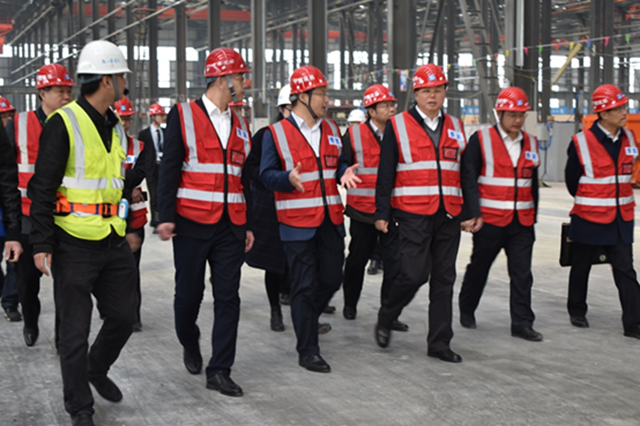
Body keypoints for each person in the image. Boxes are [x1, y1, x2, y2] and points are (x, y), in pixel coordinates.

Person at [28, 40, 138, 426]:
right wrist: (41, 242)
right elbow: (42, 187)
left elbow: (114, 182)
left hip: (112, 237)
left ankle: (96, 368)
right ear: (107, 80)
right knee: (74, 332)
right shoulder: (64, 122)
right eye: (121, 76)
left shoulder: (115, 126)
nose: (125, 82)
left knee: (124, 316)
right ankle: (80, 407)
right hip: (73, 242)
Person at [157, 47, 253, 397]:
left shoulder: (241, 124)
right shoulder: (183, 115)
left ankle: (220, 370)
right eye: (240, 77)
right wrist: (165, 216)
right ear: (224, 79)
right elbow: (169, 169)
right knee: (188, 297)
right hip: (191, 223)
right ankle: (189, 340)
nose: (244, 84)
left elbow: (244, 178)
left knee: (228, 297)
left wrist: (249, 224)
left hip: (231, 226)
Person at [260, 65, 359, 373]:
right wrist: (286, 179)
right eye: (322, 94)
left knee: (332, 278)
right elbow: (265, 175)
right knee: (302, 286)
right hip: (296, 224)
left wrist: (343, 173)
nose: (327, 100)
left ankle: (305, 318)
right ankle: (308, 350)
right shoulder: (276, 134)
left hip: (330, 220)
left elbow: (339, 163)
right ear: (302, 96)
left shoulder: (332, 130)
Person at [373, 64, 466, 363]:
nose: (432, 96)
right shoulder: (398, 125)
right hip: (412, 214)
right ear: (416, 93)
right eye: (426, 91)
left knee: (444, 279)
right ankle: (387, 314)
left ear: (445, 92)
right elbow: (386, 172)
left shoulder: (456, 126)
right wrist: (382, 212)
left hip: (448, 214)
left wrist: (469, 210)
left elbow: (464, 171)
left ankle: (439, 343)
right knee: (414, 275)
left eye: (438, 90)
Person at [458, 86, 543, 342]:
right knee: (479, 267)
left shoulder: (531, 143)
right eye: (512, 115)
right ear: (500, 114)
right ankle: (467, 308)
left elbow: (532, 183)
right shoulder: (481, 140)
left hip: (521, 223)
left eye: (521, 115)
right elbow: (468, 178)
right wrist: (471, 213)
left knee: (522, 273)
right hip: (490, 221)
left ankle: (522, 323)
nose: (517, 120)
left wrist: (533, 216)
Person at [564, 83, 640, 339]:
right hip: (589, 218)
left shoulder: (630, 138)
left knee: (625, 270)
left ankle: (634, 323)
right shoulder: (581, 142)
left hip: (621, 219)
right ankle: (577, 310)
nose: (624, 112)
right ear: (603, 113)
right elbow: (572, 181)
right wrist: (594, 200)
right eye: (618, 108)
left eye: (624, 106)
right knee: (581, 266)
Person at [6, 64, 74, 346]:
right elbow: (7, 176)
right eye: (60, 91)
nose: (66, 97)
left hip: (65, 216)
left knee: (66, 285)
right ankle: (31, 322)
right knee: (26, 281)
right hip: (27, 217)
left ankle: (62, 336)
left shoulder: (76, 123)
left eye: (69, 91)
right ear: (42, 93)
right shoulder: (18, 125)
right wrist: (11, 228)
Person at [340, 84, 407, 331]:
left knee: (394, 265)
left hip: (392, 211)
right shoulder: (353, 135)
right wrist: (343, 175)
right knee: (357, 260)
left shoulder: (401, 134)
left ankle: (389, 315)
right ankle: (350, 303)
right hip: (362, 211)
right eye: (386, 106)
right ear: (371, 111)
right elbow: (342, 165)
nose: (392, 109)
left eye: (392, 105)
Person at [245, 84, 292, 332]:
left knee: (300, 259)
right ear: (282, 109)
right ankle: (275, 310)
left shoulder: (310, 136)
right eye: (291, 108)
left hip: (299, 206)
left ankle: (299, 300)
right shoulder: (266, 135)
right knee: (274, 262)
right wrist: (272, 178)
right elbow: (250, 167)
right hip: (270, 206)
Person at [114, 96, 149, 332]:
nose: (125, 124)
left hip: (134, 219)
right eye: (121, 118)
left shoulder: (138, 147)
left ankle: (133, 316)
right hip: (104, 218)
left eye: (127, 119)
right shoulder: (99, 146)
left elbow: (140, 173)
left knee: (131, 270)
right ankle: (111, 310)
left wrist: (119, 181)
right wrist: (129, 188)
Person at [0, 117, 24, 322]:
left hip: (7, 214)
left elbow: (7, 176)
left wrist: (13, 228)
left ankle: (10, 302)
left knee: (14, 261)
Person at [138, 103, 165, 230]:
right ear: (153, 116)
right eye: (160, 115)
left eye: (163, 115)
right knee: (154, 196)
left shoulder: (166, 132)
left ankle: (163, 218)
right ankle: (155, 221)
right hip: (151, 169)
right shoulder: (144, 134)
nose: (162, 117)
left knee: (163, 194)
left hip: (163, 168)